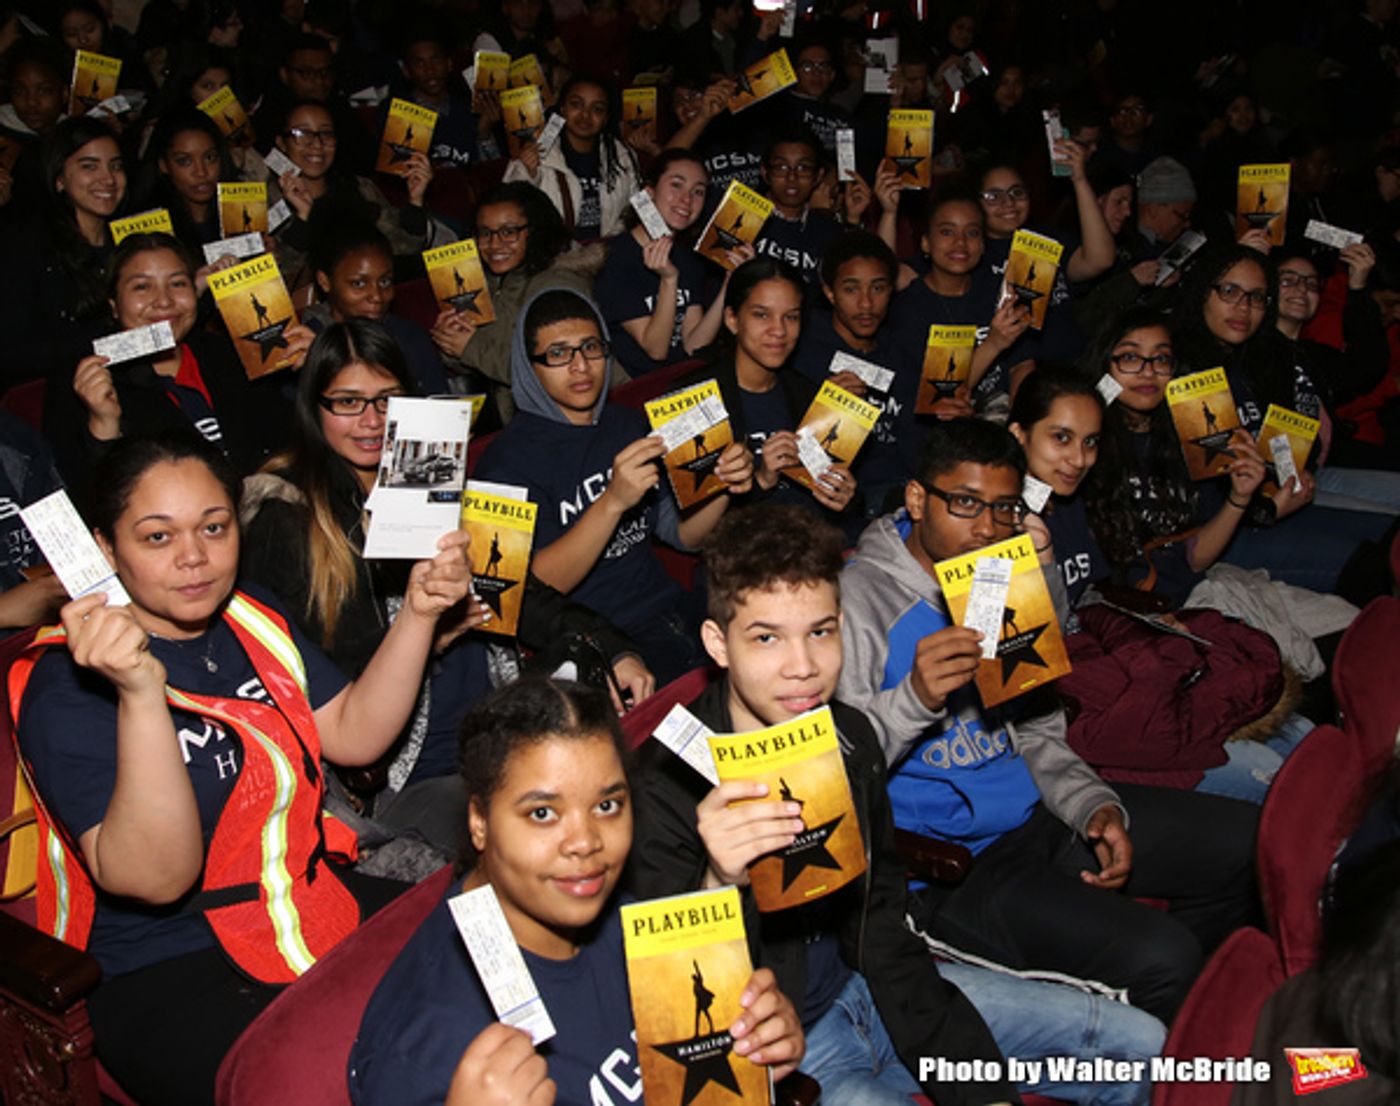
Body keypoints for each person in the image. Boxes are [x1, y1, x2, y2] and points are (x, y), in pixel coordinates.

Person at [628, 504, 1165, 1106]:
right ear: (717, 644)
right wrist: (718, 881)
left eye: (821, 632)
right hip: (792, 1052)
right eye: (766, 638)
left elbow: (880, 914)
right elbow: (683, 1026)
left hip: (879, 986)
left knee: (1141, 1045)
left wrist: (969, 1076)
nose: (803, 668)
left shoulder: (848, 735)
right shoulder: (663, 785)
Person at [12, 430, 473, 1103]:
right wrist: (141, 693)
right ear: (106, 549)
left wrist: (422, 615)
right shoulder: (67, 684)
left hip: (303, 900)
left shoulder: (251, 613)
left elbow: (351, 735)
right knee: (357, 1078)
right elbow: (157, 881)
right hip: (171, 963)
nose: (195, 558)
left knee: (496, 953)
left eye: (214, 527)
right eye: (158, 537)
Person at [836, 416, 1260, 1023]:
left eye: (1004, 508)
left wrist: (1090, 802)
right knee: (1165, 958)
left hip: (1038, 814)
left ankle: (1196, 1025)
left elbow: (1034, 727)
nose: (986, 528)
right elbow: (831, 774)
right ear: (915, 498)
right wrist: (914, 698)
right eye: (964, 504)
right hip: (947, 868)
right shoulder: (855, 602)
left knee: (1244, 844)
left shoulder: (1001, 575)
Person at [240, 319, 653, 855]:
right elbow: (320, 694)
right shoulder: (288, 518)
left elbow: (518, 593)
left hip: (497, 725)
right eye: (347, 402)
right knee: (556, 831)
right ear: (314, 408)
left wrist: (612, 647)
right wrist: (428, 637)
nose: (370, 421)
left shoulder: (428, 474)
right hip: (408, 773)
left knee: (628, 795)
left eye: (387, 400)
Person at [348, 677, 805, 1106]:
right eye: (543, 813)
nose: (586, 842)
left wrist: (762, 1039)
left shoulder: (622, 911)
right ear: (479, 822)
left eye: (607, 806)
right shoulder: (422, 1042)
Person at [1008, 365, 1309, 804]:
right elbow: (1025, 665)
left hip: (1107, 658)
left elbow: (1090, 592)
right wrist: (1042, 562)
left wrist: (1143, 620)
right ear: (1019, 435)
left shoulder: (1072, 500)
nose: (1079, 459)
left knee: (1297, 731)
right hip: (1074, 707)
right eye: (1061, 438)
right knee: (1276, 780)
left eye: (1090, 442)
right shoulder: (996, 524)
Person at [475, 287, 754, 682]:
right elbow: (519, 596)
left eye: (591, 347)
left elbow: (684, 537)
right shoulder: (500, 466)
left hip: (673, 610)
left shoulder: (627, 424)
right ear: (529, 367)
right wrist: (611, 503)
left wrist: (720, 486)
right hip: (597, 641)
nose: (580, 366)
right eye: (558, 354)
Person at [50, 232, 307, 483]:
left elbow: (292, 443)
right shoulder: (87, 382)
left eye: (178, 283)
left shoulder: (233, 352)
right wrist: (103, 427)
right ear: (114, 306)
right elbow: (90, 494)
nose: (163, 301)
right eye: (142, 287)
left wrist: (314, 372)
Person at [686, 257, 860, 529]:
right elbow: (691, 533)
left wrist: (845, 498)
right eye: (761, 315)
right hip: (740, 556)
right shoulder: (692, 402)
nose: (779, 330)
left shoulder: (809, 395)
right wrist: (762, 480)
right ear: (732, 319)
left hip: (814, 545)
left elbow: (836, 499)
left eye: (790, 317)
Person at [430, 180, 597, 423]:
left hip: (567, 418)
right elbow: (481, 356)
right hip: (513, 415)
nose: (494, 244)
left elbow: (558, 373)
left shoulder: (558, 285)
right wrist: (452, 340)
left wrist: (470, 347)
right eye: (485, 233)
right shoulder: (484, 279)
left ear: (536, 231)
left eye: (509, 232)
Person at [1, 118, 127, 390]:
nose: (108, 179)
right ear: (59, 179)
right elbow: (12, 351)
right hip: (58, 397)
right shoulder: (26, 247)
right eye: (89, 167)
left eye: (115, 166)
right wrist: (117, 342)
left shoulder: (131, 241)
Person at [269, 99, 443, 293]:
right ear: (281, 143)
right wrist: (303, 218)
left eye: (326, 134)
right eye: (301, 134)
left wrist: (415, 200)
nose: (316, 144)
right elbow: (276, 279)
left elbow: (405, 246)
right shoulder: (266, 200)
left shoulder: (360, 188)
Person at [595, 148, 742, 376]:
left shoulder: (687, 258)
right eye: (676, 185)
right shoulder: (616, 258)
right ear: (649, 192)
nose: (687, 199)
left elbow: (694, 344)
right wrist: (669, 280)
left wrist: (730, 282)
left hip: (683, 382)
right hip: (638, 389)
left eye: (698, 192)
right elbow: (655, 349)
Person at [304, 220, 448, 395]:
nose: (377, 296)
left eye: (385, 281)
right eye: (358, 284)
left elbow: (440, 405)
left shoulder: (410, 338)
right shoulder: (308, 347)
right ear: (325, 281)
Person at [503, 75, 641, 242]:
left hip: (608, 254)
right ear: (562, 108)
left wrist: (608, 246)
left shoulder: (622, 156)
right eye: (576, 104)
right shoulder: (538, 153)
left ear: (606, 118)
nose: (585, 115)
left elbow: (632, 210)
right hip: (554, 259)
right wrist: (527, 173)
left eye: (597, 109)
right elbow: (508, 209)